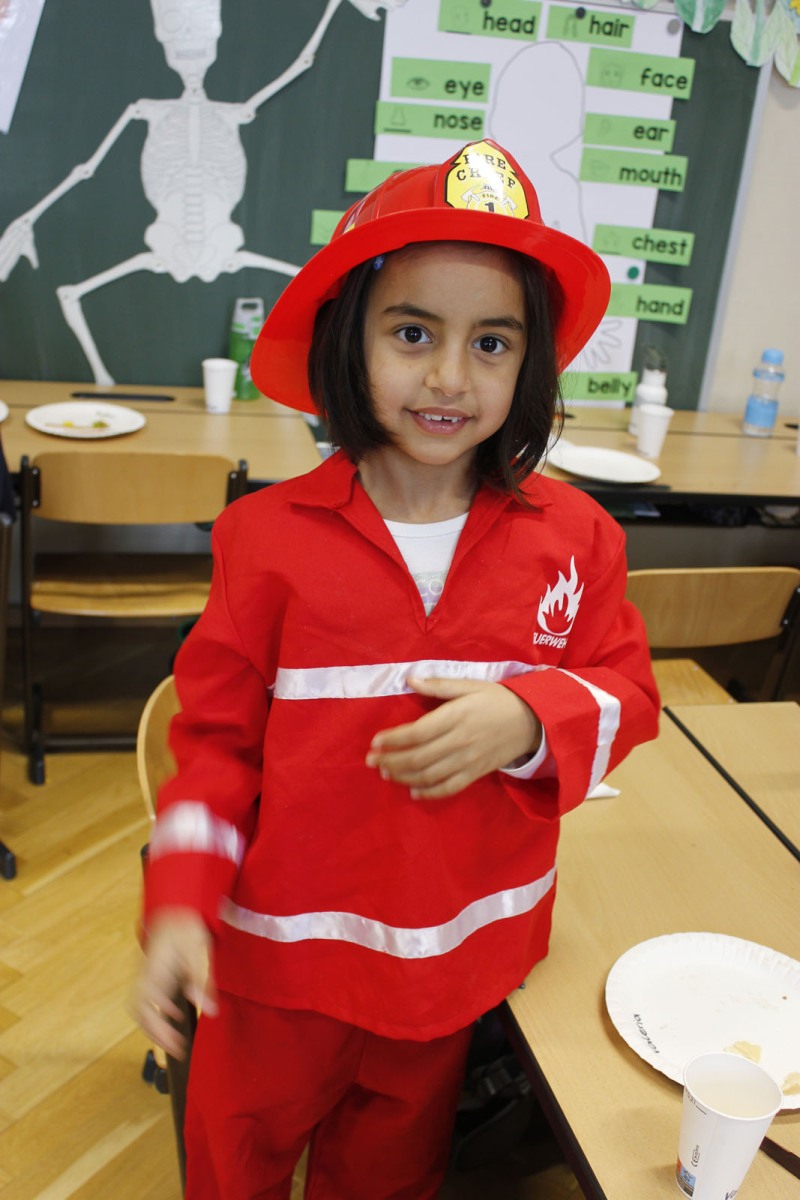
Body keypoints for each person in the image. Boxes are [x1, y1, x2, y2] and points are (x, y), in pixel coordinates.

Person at [133, 138, 659, 1199]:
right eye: (412, 333)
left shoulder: (577, 540)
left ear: (529, 366)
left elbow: (629, 694)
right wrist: (181, 903)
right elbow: (216, 749)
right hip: (275, 969)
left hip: (447, 974)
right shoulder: (263, 541)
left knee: (389, 1178)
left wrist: (529, 717)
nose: (450, 377)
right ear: (349, 338)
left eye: (492, 343)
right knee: (233, 1166)